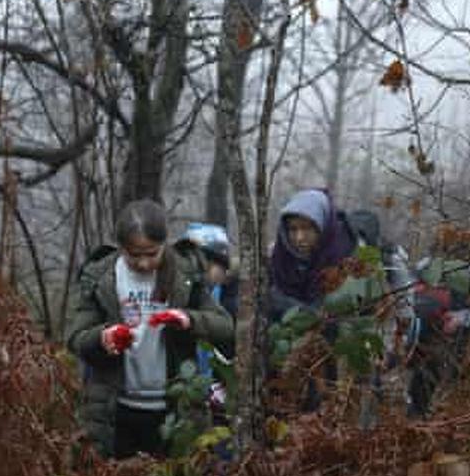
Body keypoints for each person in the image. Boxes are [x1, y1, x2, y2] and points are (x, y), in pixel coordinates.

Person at [67, 199, 235, 459]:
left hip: (176, 409)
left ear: (165, 243)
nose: (144, 264)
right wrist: (103, 338)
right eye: (135, 255)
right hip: (115, 410)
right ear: (121, 248)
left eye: (152, 254)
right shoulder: (100, 277)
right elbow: (76, 337)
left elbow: (225, 326)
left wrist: (189, 320)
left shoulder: (185, 272)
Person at [268, 188, 357, 321]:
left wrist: (285, 306)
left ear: (322, 226)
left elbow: (334, 318)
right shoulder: (280, 259)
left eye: (307, 228)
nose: (299, 237)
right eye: (293, 229)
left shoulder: (344, 259)